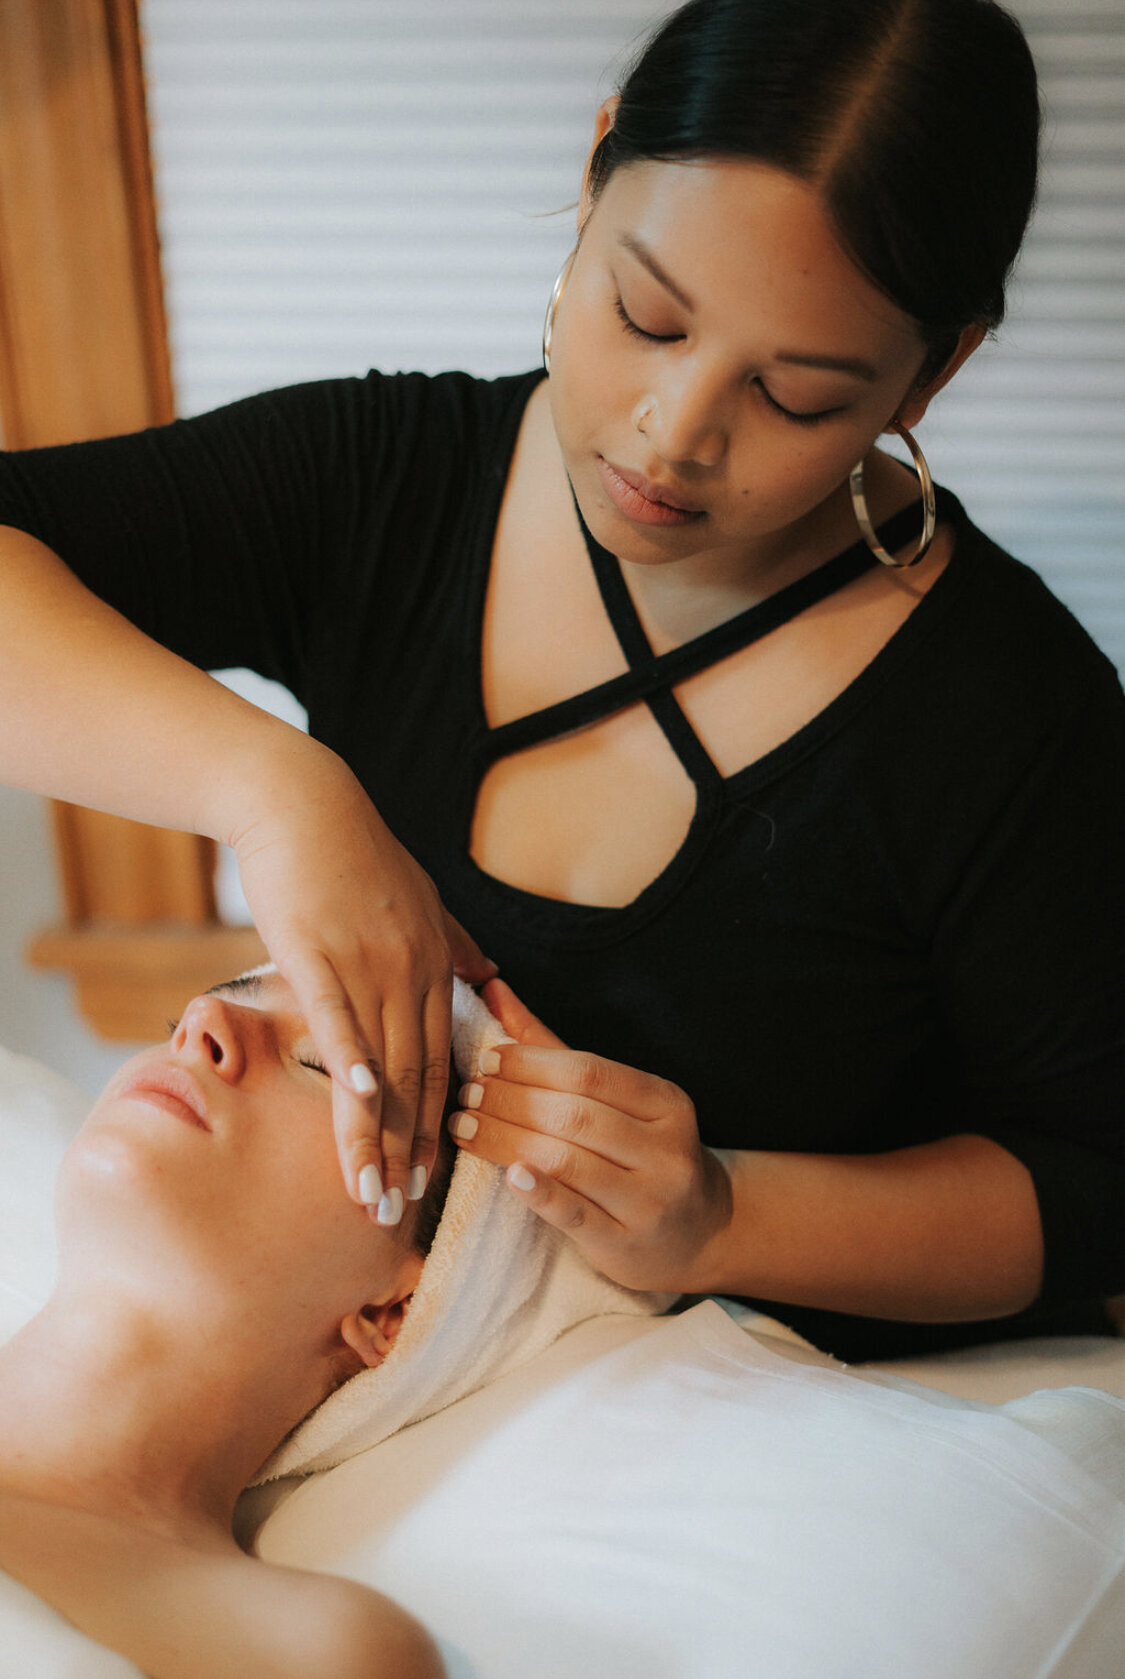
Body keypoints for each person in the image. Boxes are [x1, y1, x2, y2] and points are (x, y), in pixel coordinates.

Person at [0, 0, 1121, 1360]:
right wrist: (275, 789)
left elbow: (1091, 1183)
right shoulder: (383, 484)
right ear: (595, 175)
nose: (675, 433)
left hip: (773, 1433)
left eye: (799, 395)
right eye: (646, 315)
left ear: (927, 374)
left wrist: (722, 1214)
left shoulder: (1011, 715)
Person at [0, 967, 450, 1678]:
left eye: (320, 1064)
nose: (201, 1018)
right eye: (181, 1014)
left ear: (392, 1309)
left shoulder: (305, 1651)